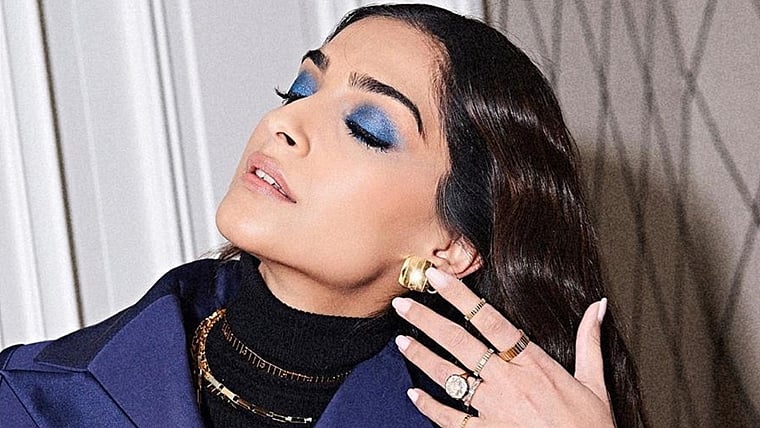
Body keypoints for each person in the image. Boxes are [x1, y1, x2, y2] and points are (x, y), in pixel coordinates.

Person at [0, 4, 645, 427]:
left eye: (366, 129)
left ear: (451, 246)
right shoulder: (32, 399)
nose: (285, 123)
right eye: (301, 89)